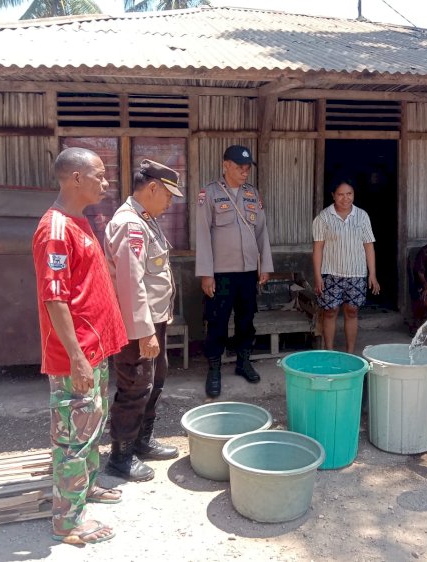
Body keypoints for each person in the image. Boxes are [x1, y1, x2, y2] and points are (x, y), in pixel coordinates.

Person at [32, 147, 128, 545]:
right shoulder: (55, 230)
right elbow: (54, 299)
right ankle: (67, 521)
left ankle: (85, 489)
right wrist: (76, 358)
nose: (106, 183)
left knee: (90, 426)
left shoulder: (79, 221)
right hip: (77, 355)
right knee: (73, 436)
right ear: (75, 178)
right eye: (99, 176)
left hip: (93, 348)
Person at [103, 160, 183, 482]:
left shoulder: (145, 220)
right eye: (168, 195)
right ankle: (120, 457)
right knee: (135, 385)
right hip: (137, 326)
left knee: (154, 379)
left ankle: (141, 441)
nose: (170, 202)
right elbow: (131, 284)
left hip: (153, 321)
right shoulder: (131, 224)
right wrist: (144, 333)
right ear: (152, 188)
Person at [195, 145, 273, 398]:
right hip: (221, 273)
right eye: (240, 167)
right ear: (225, 165)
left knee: (246, 320)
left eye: (247, 167)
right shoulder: (210, 194)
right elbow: (203, 236)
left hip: (249, 271)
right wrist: (206, 273)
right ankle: (214, 368)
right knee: (217, 321)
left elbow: (262, 231)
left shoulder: (252, 194)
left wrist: (266, 267)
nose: (245, 172)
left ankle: (243, 362)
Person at [313, 179, 380, 354]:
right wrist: (318, 276)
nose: (345, 198)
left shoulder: (362, 216)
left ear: (354, 195)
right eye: (341, 194)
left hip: (356, 273)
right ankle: (329, 352)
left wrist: (372, 274)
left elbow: (368, 245)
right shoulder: (323, 217)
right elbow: (318, 248)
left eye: (349, 194)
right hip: (330, 273)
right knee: (330, 311)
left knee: (352, 311)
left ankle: (350, 353)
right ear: (333, 196)